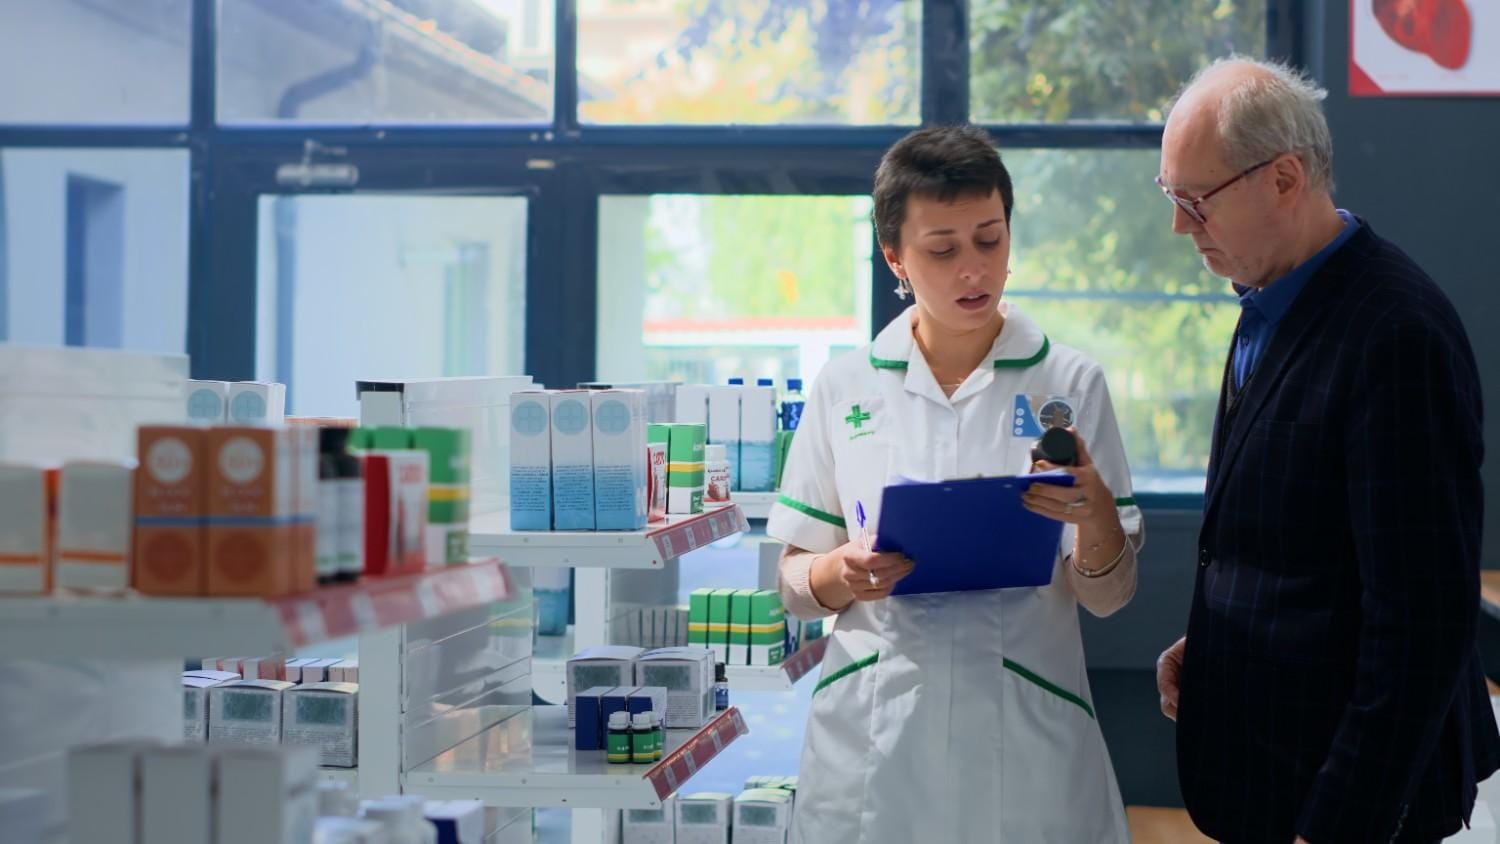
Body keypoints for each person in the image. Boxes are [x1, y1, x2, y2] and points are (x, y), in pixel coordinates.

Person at [766, 124, 1144, 843]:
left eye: (989, 239)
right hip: (877, 733)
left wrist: (1094, 514)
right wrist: (841, 572)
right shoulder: (845, 387)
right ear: (895, 258)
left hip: (1027, 727)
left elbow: (1108, 595)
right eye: (942, 249)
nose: (973, 268)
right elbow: (789, 582)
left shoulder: (1068, 384)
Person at [1153, 57, 1499, 843]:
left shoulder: (1394, 335)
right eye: (1170, 195)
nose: (1179, 225)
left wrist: (1337, 828)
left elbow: (1421, 626)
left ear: (1283, 179)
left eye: (1195, 200)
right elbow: (1301, 544)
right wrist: (1218, 638)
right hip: (1263, 764)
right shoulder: (1266, 298)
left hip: (1343, 803)